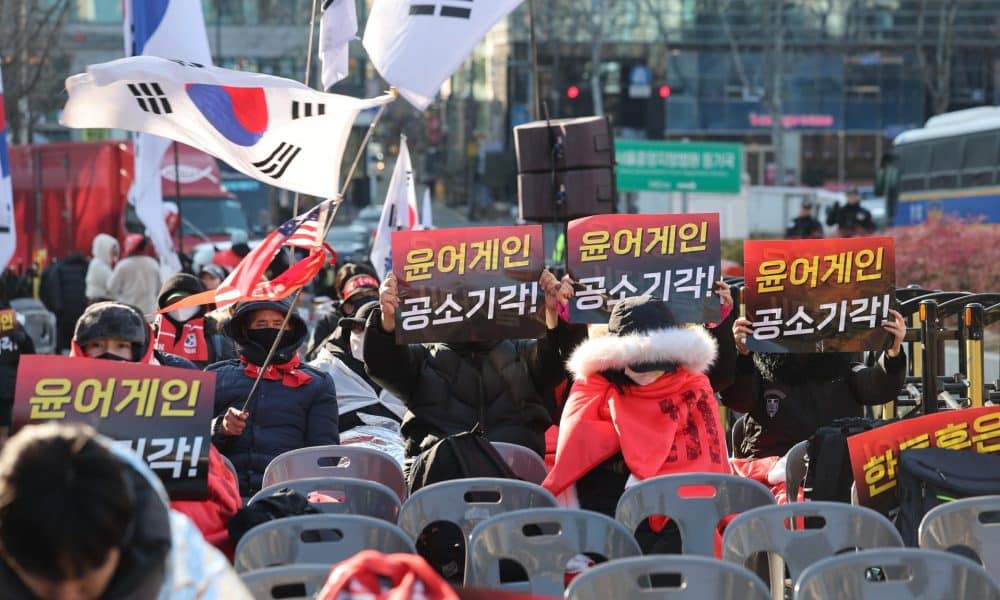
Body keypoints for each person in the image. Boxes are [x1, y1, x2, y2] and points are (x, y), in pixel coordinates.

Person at [68, 301, 242, 558]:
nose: (109, 354)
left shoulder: (172, 396)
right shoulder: (59, 396)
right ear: (81, 348)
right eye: (97, 346)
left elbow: (212, 482)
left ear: (138, 349)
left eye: (121, 346)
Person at [0, 423, 250, 599]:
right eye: (49, 586)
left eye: (86, 584)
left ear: (123, 535)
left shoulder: (193, 580)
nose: (69, 597)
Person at [364, 270, 586, 467]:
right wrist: (388, 322)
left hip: (516, 478)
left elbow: (563, 360)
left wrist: (553, 313)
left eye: (478, 295)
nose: (470, 305)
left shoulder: (523, 354)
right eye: (460, 295)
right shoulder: (423, 357)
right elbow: (384, 365)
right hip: (438, 479)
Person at [542, 296, 728, 518]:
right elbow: (578, 442)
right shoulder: (592, 387)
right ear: (616, 358)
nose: (648, 374)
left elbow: (708, 458)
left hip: (682, 514)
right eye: (639, 365)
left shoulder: (693, 386)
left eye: (657, 363)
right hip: (605, 507)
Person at [727, 309, 908, 459]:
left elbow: (877, 386)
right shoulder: (761, 361)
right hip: (770, 467)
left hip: (833, 465)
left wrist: (893, 352)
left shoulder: (841, 364)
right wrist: (743, 355)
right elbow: (739, 400)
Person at [209, 299, 339, 497]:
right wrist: (220, 427)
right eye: (261, 324)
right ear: (245, 330)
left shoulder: (317, 383)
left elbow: (325, 458)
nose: (270, 330)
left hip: (288, 500)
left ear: (292, 330)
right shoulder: (216, 376)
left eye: (278, 324)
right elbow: (190, 447)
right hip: (224, 495)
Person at [309, 301, 407, 461]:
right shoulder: (324, 371)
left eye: (374, 331)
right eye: (359, 330)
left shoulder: (410, 372)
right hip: (339, 462)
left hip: (399, 462)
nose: (365, 337)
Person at [154, 274, 235, 368]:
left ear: (200, 305)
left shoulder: (216, 335)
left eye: (187, 302)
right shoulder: (151, 334)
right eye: (174, 303)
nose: (180, 308)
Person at [307, 264, 380, 360]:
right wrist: (343, 331)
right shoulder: (329, 319)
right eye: (359, 295)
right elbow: (312, 358)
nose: (368, 298)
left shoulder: (387, 317)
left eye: (372, 292)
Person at [40, 252, 90, 353]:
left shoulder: (59, 268)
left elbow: (54, 290)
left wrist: (56, 309)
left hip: (64, 312)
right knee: (79, 338)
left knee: (63, 340)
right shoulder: (86, 268)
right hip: (81, 310)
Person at [0, 310, 33, 446]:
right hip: (8, 388)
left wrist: (22, 338)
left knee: (5, 432)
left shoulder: (11, 323)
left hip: (8, 389)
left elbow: (31, 355)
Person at [108, 235, 161, 317]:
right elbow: (160, 289)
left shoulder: (123, 265)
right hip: (150, 313)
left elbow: (111, 288)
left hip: (129, 313)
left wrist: (122, 299)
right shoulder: (153, 263)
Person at [85, 233, 119, 303]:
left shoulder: (102, 264)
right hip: (101, 301)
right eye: (113, 248)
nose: (115, 251)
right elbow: (113, 285)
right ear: (104, 248)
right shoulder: (99, 265)